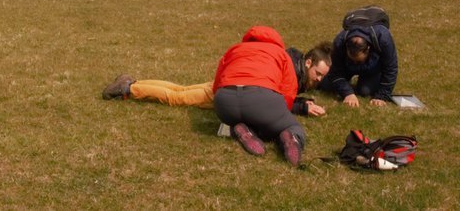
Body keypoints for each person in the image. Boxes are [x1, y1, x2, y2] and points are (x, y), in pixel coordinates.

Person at [102, 42, 333, 119]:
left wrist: (302, 101)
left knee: (180, 89)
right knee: (177, 98)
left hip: (228, 80)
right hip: (231, 91)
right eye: (318, 74)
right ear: (309, 63)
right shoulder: (292, 74)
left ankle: (134, 82)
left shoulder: (290, 60)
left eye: (323, 77)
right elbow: (274, 101)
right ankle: (129, 88)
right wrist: (301, 106)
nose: (319, 80)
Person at [212, 26, 307, 166]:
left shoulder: (234, 49)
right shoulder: (281, 54)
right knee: (290, 126)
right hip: (261, 99)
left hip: (224, 101)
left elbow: (217, 83)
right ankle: (292, 137)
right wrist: (279, 113)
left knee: (249, 119)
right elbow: (289, 89)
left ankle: (238, 130)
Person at [319, 18, 398, 108]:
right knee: (326, 86)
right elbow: (335, 72)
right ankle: (347, 83)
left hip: (373, 67)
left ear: (368, 49)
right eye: (352, 59)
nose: (355, 62)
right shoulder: (339, 42)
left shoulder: (383, 38)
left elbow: (391, 69)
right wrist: (348, 93)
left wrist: (381, 96)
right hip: (346, 66)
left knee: (365, 91)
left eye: (359, 60)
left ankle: (365, 81)